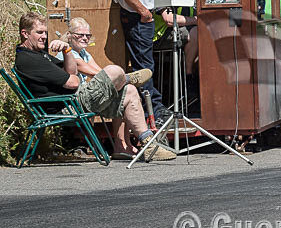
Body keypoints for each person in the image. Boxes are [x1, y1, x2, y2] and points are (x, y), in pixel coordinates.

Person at [14, 12, 174, 160]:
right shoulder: (29, 60)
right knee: (113, 70)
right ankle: (126, 78)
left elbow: (72, 71)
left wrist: (66, 49)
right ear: (25, 33)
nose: (44, 36)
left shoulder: (40, 54)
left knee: (130, 91)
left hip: (75, 99)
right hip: (68, 104)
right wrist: (111, 79)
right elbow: (74, 82)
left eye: (45, 32)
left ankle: (149, 144)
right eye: (39, 32)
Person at [114, 0, 169, 126]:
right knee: (144, 66)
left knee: (146, 64)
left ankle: (152, 109)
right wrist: (145, 12)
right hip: (138, 18)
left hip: (143, 17)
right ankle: (153, 111)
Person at [153, 0, 199, 87]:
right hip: (160, 34)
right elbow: (168, 19)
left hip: (182, 28)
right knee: (198, 32)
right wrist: (197, 20)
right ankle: (189, 76)